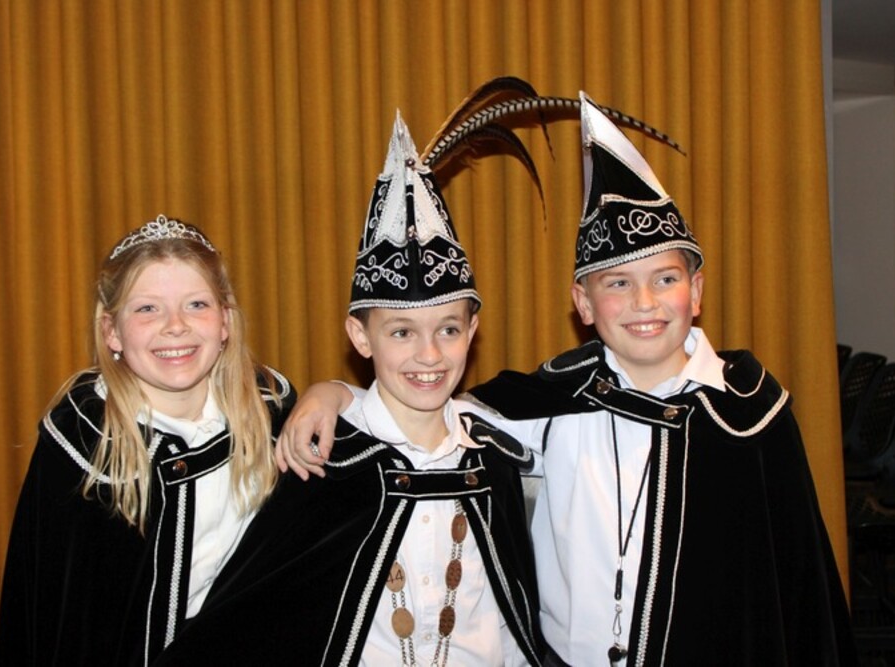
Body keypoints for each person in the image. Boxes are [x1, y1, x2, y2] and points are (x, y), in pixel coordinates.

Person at [277, 93, 857, 666]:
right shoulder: (547, 404)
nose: (644, 302)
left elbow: (800, 593)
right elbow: (424, 413)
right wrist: (334, 394)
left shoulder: (747, 416)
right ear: (583, 302)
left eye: (665, 279)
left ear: (696, 291)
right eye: (617, 283)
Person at [154, 113, 543, 666]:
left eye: (448, 330)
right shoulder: (326, 465)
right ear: (361, 336)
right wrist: (332, 393)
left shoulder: (492, 461)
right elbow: (257, 612)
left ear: (472, 331)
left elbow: (512, 619)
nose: (429, 355)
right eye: (401, 332)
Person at [0, 214, 294, 665]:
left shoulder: (269, 413)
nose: (175, 325)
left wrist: (335, 394)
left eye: (197, 304)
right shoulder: (87, 445)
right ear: (112, 332)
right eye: (147, 309)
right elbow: (54, 614)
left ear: (225, 322)